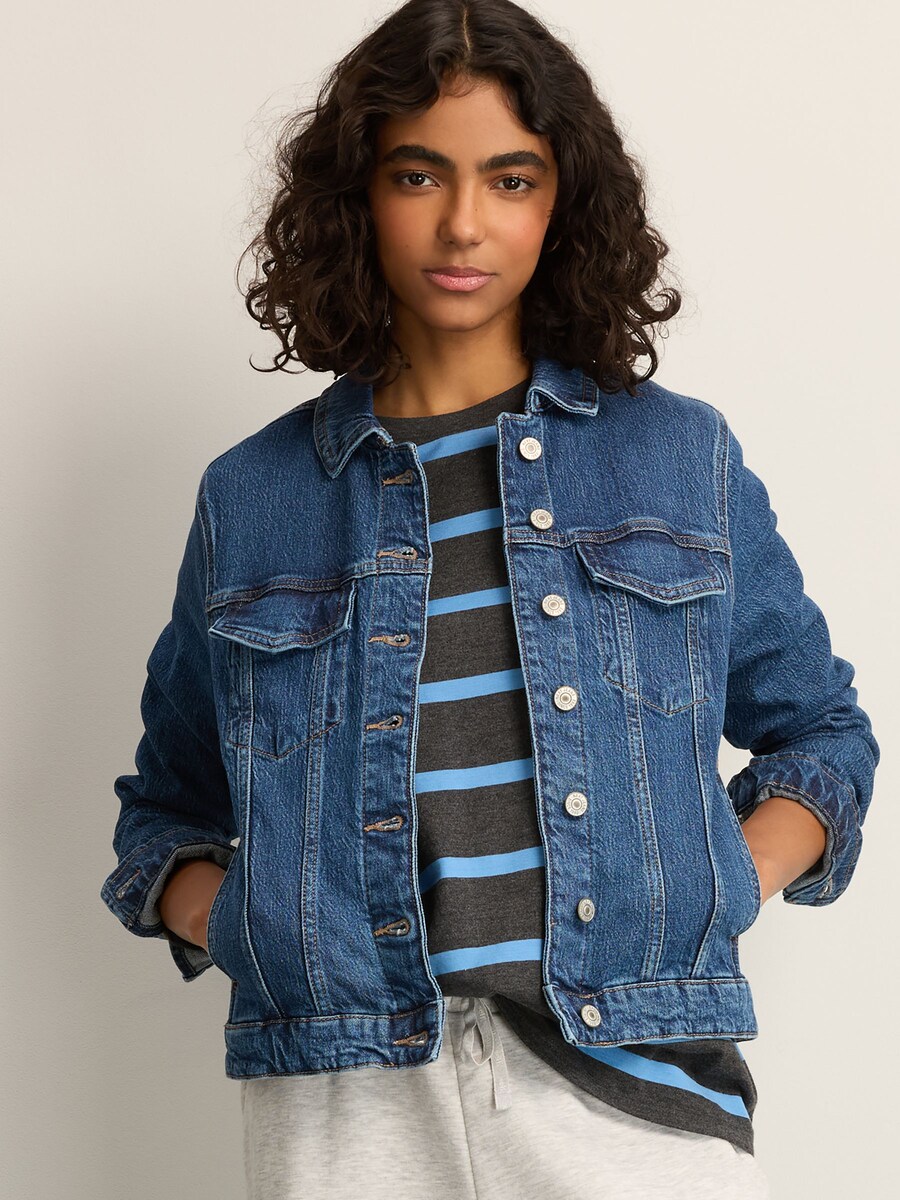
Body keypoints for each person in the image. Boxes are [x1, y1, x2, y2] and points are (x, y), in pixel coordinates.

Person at [99, 2, 879, 1196]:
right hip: (343, 1102)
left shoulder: (677, 459)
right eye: (419, 175)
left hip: (633, 1087)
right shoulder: (254, 498)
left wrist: (721, 879)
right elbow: (167, 812)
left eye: (511, 179)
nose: (464, 223)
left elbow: (821, 735)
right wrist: (252, 923)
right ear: (357, 196)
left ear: (562, 203)